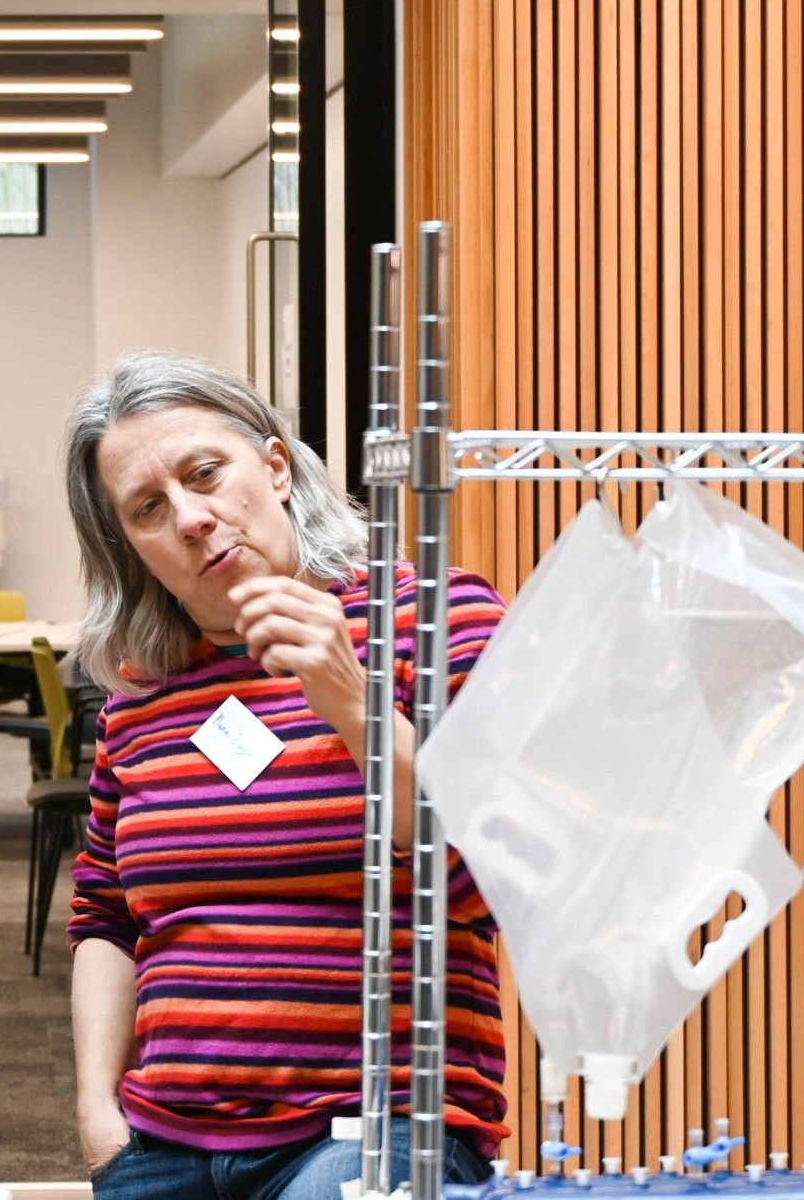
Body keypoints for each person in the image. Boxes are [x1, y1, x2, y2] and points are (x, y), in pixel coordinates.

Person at [59, 351, 507, 1200]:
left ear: (273, 466)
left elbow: (494, 872)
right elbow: (105, 917)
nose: (192, 518)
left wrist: (347, 694)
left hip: (378, 1126)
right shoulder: (142, 691)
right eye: (149, 508)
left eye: (206, 473)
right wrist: (98, 1120)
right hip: (161, 1139)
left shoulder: (438, 620)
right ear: (131, 547)